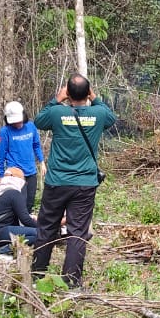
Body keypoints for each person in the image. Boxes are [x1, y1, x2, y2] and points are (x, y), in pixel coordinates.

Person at [31, 74, 116, 289]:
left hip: (57, 182)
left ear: (67, 93)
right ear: (88, 93)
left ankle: (36, 276)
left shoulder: (56, 112)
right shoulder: (98, 113)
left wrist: (56, 99)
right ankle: (71, 282)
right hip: (84, 184)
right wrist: (94, 98)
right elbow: (111, 118)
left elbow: (39, 121)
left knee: (46, 228)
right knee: (78, 232)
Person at [0, 166, 38, 256]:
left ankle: (1, 248)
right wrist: (43, 228)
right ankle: (1, 251)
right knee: (39, 234)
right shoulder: (14, 193)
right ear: (19, 180)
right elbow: (25, 220)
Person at [0, 101, 45, 213]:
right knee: (18, 204)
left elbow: (36, 145)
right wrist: (0, 175)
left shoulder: (31, 126)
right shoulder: (4, 132)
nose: (18, 124)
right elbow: (1, 156)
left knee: (29, 202)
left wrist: (42, 161)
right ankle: (16, 227)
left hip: (31, 171)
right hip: (15, 174)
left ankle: (25, 227)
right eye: (15, 122)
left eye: (19, 121)